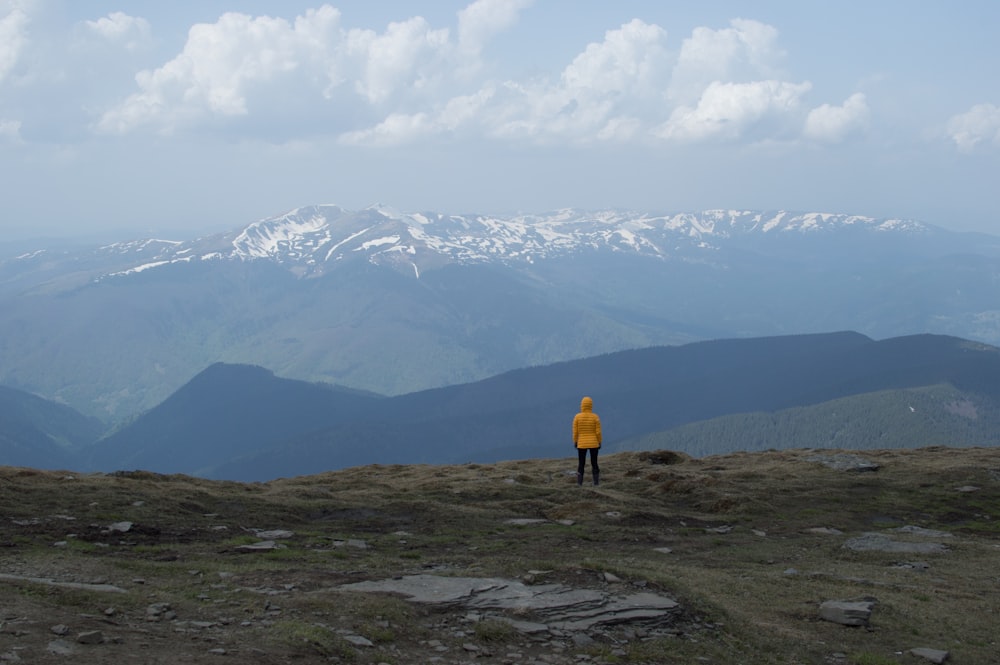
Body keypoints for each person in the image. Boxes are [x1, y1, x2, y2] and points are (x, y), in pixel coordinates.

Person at [572, 395, 602, 486]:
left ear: (582, 405)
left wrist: (575, 441)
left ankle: (579, 483)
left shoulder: (577, 417)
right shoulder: (595, 417)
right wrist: (599, 441)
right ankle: (596, 483)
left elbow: (575, 431)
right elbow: (598, 432)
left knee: (581, 464)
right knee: (594, 463)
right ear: (591, 405)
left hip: (581, 443)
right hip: (593, 443)